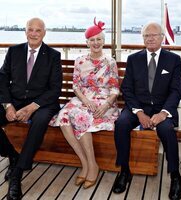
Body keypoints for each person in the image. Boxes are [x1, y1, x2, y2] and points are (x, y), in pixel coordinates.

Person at [112, 22, 181, 200]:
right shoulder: (134, 59)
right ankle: (124, 171)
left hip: (162, 108)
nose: (150, 38)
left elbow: (176, 90)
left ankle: (175, 175)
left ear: (162, 37)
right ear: (142, 38)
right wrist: (139, 112)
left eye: (154, 35)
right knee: (121, 124)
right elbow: (127, 89)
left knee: (167, 130)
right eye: (146, 36)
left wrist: (164, 113)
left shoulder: (173, 59)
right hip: (138, 106)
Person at [49, 18, 120, 189]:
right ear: (87, 42)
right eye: (92, 40)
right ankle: (87, 163)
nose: (95, 43)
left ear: (104, 42)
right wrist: (85, 100)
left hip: (104, 102)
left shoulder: (110, 62)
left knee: (80, 116)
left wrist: (105, 105)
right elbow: (75, 85)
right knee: (64, 115)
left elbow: (115, 89)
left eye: (99, 39)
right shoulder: (80, 60)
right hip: (84, 99)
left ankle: (92, 165)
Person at [0, 17, 62, 200]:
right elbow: (2, 78)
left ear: (44, 33)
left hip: (41, 103)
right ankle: (12, 155)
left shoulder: (53, 55)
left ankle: (17, 174)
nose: (34, 33)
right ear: (25, 31)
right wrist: (7, 105)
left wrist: (32, 107)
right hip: (15, 100)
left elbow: (55, 89)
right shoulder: (14, 51)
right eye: (30, 30)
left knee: (40, 121)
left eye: (38, 30)